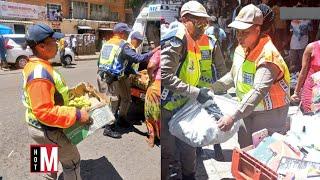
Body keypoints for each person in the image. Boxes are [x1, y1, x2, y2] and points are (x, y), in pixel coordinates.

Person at [161, 1, 228, 179]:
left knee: (189, 147)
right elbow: (166, 76)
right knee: (168, 152)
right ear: (185, 20)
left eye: (205, 23)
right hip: (168, 106)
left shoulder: (196, 40)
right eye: (198, 22)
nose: (202, 27)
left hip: (186, 104)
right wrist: (197, 93)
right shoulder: (177, 38)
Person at [213, 4, 290, 148]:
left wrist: (232, 116)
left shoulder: (268, 55)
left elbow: (258, 90)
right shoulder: (241, 48)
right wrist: (213, 88)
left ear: (257, 29)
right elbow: (233, 75)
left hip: (270, 113)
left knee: (262, 152)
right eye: (238, 32)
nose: (239, 37)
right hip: (246, 108)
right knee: (244, 145)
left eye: (245, 32)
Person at [22, 23, 91, 180]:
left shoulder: (33, 64)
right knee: (72, 162)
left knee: (46, 165)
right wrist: (77, 114)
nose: (58, 44)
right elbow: (44, 111)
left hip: (35, 126)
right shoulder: (40, 73)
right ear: (41, 47)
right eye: (53, 41)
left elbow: (46, 94)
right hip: (47, 129)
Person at [97, 23, 158, 138]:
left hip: (102, 75)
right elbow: (138, 58)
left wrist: (135, 73)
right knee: (113, 102)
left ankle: (121, 119)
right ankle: (109, 128)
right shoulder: (123, 45)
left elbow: (101, 61)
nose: (127, 35)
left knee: (113, 100)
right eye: (126, 33)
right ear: (121, 33)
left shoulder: (107, 43)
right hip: (109, 78)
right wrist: (154, 51)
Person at [291, 40, 320, 113]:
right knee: (310, 116)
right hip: (311, 90)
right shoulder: (311, 47)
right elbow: (303, 71)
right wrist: (296, 92)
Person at [145, 48, 161, 147]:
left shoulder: (160, 52)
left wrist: (150, 77)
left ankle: (152, 138)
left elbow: (150, 66)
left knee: (150, 112)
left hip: (156, 86)